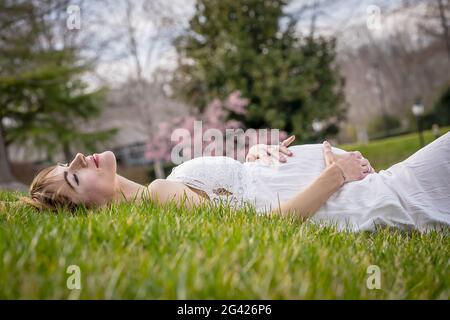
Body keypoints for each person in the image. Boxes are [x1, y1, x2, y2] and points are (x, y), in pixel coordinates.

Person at [21, 132, 450, 232]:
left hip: (355, 184)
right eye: (74, 177)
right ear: (95, 208)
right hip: (355, 197)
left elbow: (238, 199)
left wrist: (252, 159)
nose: (78, 158)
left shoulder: (166, 184)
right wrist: (336, 173)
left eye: (67, 163)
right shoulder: (158, 195)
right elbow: (270, 225)